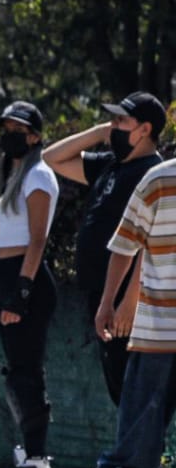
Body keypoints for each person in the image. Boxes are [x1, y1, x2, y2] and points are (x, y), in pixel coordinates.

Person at [42, 92, 166, 406]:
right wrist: (101, 132)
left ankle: (139, 455)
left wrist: (127, 301)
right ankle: (133, 453)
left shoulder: (153, 172)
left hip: (131, 300)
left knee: (137, 390)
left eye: (122, 120)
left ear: (145, 130)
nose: (114, 126)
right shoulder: (110, 165)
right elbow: (52, 157)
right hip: (102, 295)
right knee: (119, 387)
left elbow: (151, 243)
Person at [0, 101, 59, 468]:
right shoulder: (9, 176)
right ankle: (31, 465)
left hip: (30, 286)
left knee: (28, 377)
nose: (9, 133)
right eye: (5, 126)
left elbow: (37, 242)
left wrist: (20, 296)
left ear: (35, 136)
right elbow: (5, 250)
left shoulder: (39, 175)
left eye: (18, 128)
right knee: (17, 377)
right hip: (12, 282)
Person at [92, 148, 176, 468]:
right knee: (143, 408)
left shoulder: (157, 178)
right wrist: (108, 302)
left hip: (158, 323)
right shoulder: (158, 180)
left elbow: (125, 247)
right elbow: (124, 245)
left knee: (144, 407)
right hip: (159, 324)